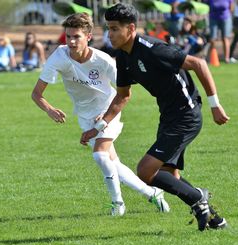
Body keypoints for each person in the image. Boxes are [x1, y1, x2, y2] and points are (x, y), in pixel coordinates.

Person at [81, 3, 229, 230]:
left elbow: (198, 63)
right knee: (170, 176)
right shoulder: (122, 56)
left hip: (186, 115)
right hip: (168, 116)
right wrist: (99, 126)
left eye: (114, 29)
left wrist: (215, 105)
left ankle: (199, 197)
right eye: (107, 29)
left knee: (146, 171)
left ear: (130, 28)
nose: (109, 34)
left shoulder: (152, 48)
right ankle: (215, 220)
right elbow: (122, 96)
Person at [32, 13, 170, 216]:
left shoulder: (103, 60)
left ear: (88, 37)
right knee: (113, 164)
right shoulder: (59, 57)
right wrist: (49, 109)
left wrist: (106, 116)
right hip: (85, 116)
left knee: (99, 155)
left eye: (76, 36)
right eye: (68, 36)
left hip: (108, 112)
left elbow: (125, 93)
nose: (71, 41)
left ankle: (118, 204)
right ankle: (152, 193)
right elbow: (36, 94)